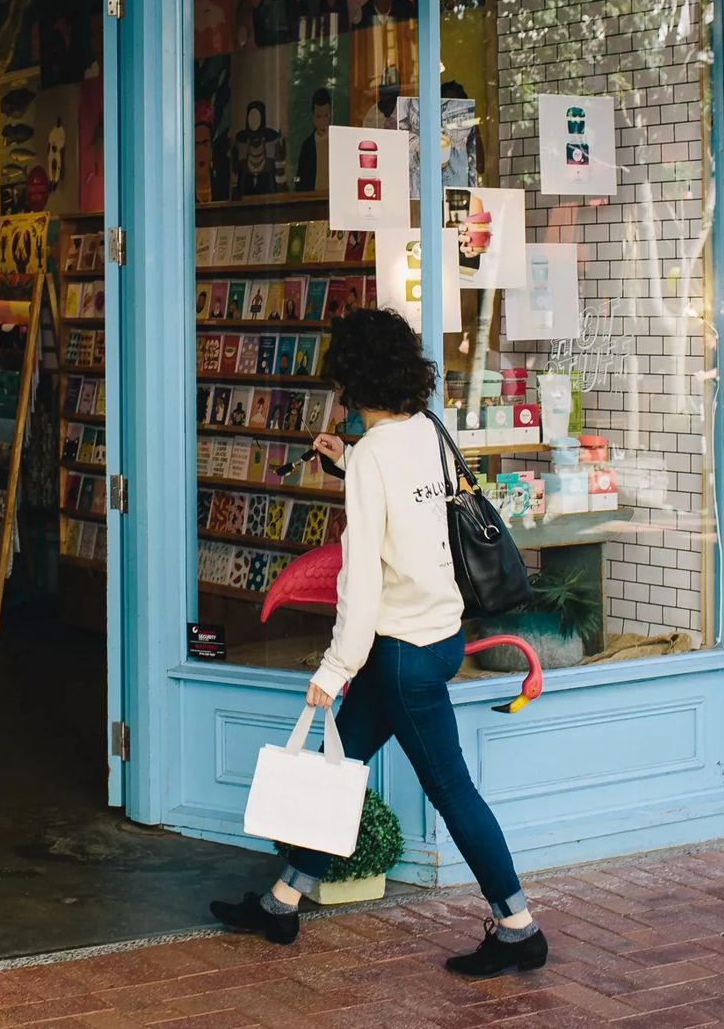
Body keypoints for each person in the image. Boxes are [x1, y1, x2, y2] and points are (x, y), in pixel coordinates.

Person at [210, 308, 547, 979]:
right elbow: (417, 521)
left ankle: (518, 925)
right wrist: (348, 463)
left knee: (452, 790)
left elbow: (361, 578)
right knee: (341, 769)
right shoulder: (426, 432)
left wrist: (334, 670)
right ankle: (282, 901)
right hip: (440, 635)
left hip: (399, 654)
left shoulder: (374, 459)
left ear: (352, 378)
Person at [295, 87, 332, 192]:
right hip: (312, 198)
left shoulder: (337, 141)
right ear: (313, 117)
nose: (323, 121)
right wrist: (295, 183)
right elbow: (298, 176)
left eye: (326, 116)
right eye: (319, 116)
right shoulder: (307, 146)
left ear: (330, 115)